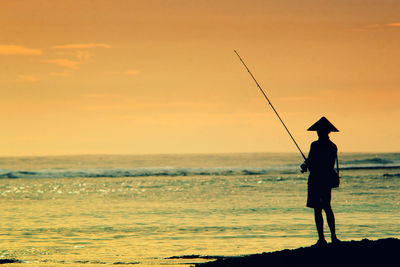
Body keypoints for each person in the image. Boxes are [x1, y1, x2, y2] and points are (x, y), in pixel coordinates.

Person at [301, 117, 341, 246]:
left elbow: (312, 162)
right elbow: (327, 164)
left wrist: (306, 166)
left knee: (319, 209)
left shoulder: (316, 145)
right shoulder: (332, 146)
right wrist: (308, 165)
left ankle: (322, 239)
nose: (318, 133)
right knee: (326, 207)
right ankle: (333, 238)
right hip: (326, 179)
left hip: (317, 179)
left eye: (319, 131)